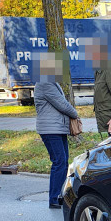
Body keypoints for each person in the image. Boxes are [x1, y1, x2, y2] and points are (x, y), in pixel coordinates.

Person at [33, 51, 80, 209]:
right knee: (59, 161)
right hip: (50, 129)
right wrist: (75, 114)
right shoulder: (45, 82)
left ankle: (59, 195)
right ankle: (54, 198)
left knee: (63, 161)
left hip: (56, 128)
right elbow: (62, 104)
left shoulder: (51, 81)